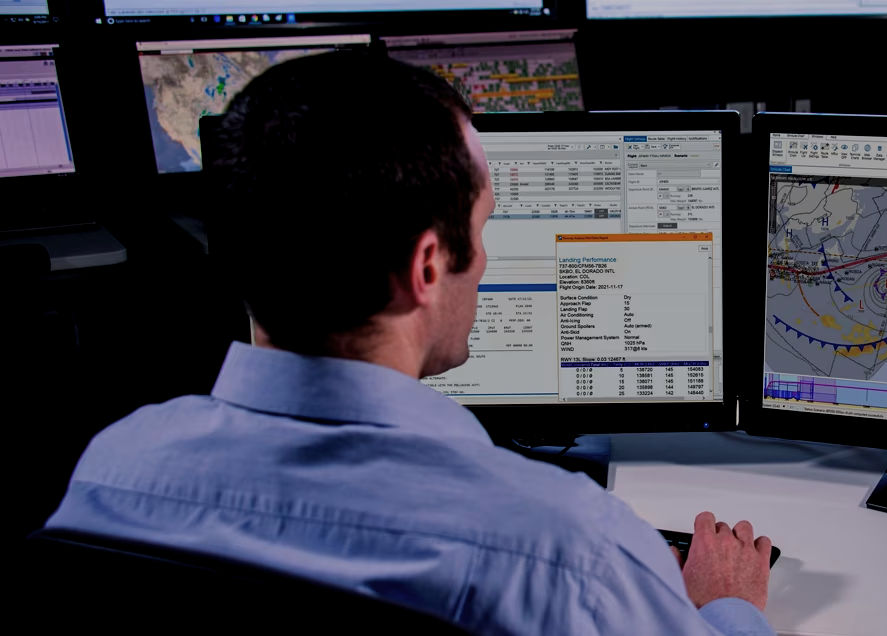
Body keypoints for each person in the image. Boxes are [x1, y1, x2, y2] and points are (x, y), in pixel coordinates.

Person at [45, 52, 774, 636]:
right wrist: (727, 606)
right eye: (482, 230)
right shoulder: (566, 552)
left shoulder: (115, 468)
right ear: (427, 267)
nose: (483, 260)